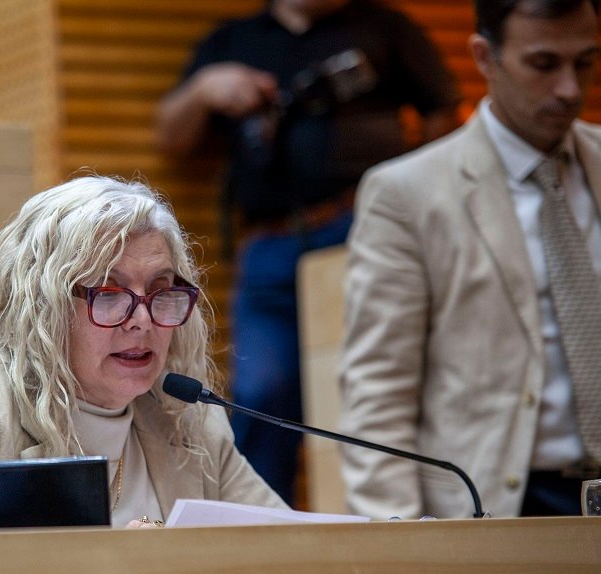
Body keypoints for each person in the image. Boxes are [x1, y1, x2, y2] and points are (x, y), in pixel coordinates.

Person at [155, 0, 459, 505]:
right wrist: (204, 89)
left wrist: (416, 202)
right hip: (268, 243)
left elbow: (444, 110)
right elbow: (171, 136)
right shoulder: (233, 41)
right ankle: (259, 531)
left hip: (359, 235)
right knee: (260, 395)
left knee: (362, 393)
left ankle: (377, 528)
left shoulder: (384, 26)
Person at [0, 176, 289, 528]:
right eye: (110, 293)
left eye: (160, 290)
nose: (142, 320)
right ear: (43, 308)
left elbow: (291, 550)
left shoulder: (190, 422)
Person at [340, 0, 601, 519]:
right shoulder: (407, 192)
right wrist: (398, 541)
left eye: (586, 63)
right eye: (544, 64)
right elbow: (378, 388)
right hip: (498, 506)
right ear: (485, 57)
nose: (570, 89)